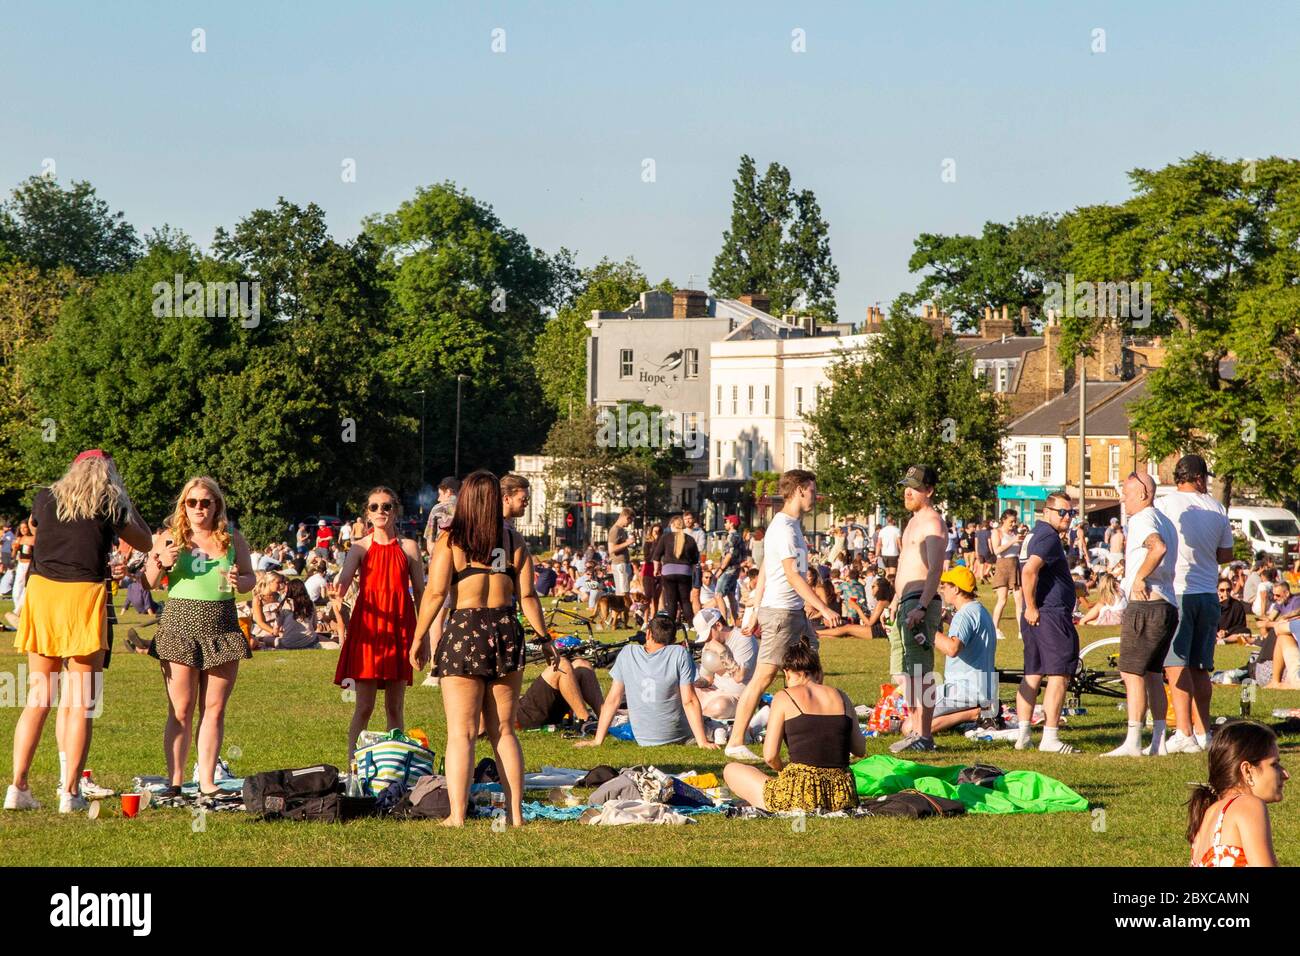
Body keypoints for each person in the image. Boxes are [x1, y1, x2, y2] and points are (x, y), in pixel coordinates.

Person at [5, 451, 153, 813]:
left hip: (43, 594)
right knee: (80, 702)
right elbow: (146, 541)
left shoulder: (46, 496)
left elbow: (40, 530)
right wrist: (123, 499)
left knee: (38, 698)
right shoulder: (111, 504)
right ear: (109, 476)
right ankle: (69, 792)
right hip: (83, 595)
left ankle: (17, 786)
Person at [410, 470, 548, 827]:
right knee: (503, 730)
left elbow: (436, 594)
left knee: (462, 732)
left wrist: (419, 637)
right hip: (505, 628)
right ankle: (515, 815)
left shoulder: (452, 541)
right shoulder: (513, 540)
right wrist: (545, 639)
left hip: (465, 631)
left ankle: (457, 815)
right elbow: (528, 597)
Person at [143, 476, 257, 802]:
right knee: (181, 708)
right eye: (192, 502)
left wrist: (241, 578)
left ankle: (207, 780)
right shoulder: (169, 538)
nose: (199, 508)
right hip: (180, 624)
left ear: (216, 505)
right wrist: (160, 562)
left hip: (221, 625)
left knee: (215, 709)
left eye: (206, 502)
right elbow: (149, 582)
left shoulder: (233, 538)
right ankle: (175, 781)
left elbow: (249, 579)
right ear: (183, 505)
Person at [725, 469, 840, 762]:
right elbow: (792, 575)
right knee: (764, 676)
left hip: (792, 612)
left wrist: (754, 606)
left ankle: (815, 724)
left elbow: (765, 568)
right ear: (800, 490)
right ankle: (736, 740)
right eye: (813, 490)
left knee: (813, 667)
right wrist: (824, 607)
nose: (816, 496)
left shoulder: (789, 525)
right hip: (781, 613)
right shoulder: (786, 528)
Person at [332, 486, 426, 764]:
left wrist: (425, 636)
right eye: (374, 507)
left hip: (400, 626)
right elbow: (345, 578)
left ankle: (393, 763)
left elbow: (421, 592)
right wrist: (337, 591)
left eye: (386, 506)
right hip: (369, 629)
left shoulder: (409, 547)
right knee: (364, 706)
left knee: (395, 707)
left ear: (395, 510)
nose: (380, 511)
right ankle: (352, 764)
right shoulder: (360, 546)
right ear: (367, 514)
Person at [722, 642, 864, 813]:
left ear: (787, 672)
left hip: (800, 793)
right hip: (841, 793)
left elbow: (770, 756)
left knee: (732, 770)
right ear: (818, 671)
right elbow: (859, 749)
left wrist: (785, 771)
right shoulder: (842, 697)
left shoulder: (784, 697)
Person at [1157, 454, 1235, 753]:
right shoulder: (1216, 507)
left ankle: (1184, 732)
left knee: (1176, 665)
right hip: (1208, 592)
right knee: (1201, 667)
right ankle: (1204, 732)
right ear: (1200, 477)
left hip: (1178, 590)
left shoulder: (1165, 505)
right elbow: (1226, 555)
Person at [1104, 471, 1179, 758]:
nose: (1123, 498)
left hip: (1146, 605)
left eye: (1127, 492)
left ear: (1144, 494)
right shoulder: (1165, 520)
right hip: (1167, 605)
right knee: (1151, 673)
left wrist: (1139, 577)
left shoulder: (1143, 518)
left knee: (1130, 671)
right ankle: (1158, 740)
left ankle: (1133, 741)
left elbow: (1157, 548)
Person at [576, 613, 717, 749]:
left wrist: (597, 740)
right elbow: (689, 701)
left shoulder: (627, 653)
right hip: (677, 734)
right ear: (673, 640)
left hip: (643, 737)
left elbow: (613, 700)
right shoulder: (679, 654)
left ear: (648, 634)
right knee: (716, 726)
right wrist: (702, 741)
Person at [885, 465, 946, 753]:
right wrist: (897, 601)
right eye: (906, 485)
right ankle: (915, 731)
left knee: (922, 672)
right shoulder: (912, 522)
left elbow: (935, 568)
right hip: (906, 602)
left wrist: (922, 605)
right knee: (906, 672)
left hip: (920, 601)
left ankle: (925, 736)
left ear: (929, 491)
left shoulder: (932, 523)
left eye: (915, 487)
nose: (908, 491)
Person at [1015, 492, 1082, 753]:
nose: (1067, 518)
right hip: (1049, 614)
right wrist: (1032, 606)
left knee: (1032, 673)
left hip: (1037, 614)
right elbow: (1029, 570)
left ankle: (1023, 734)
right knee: (1059, 674)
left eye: (1071, 513)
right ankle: (1050, 737)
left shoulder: (1034, 534)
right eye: (1062, 512)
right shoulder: (1048, 536)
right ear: (1047, 511)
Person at [1188, 720, 1286, 867]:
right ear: (1247, 770)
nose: (1285, 774)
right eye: (1274, 764)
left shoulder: (1208, 815)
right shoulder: (1248, 805)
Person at [691, 607, 758, 722]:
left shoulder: (744, 639)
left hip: (738, 697)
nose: (706, 640)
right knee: (684, 695)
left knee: (718, 707)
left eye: (708, 635)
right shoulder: (710, 644)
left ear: (718, 626)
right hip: (714, 691)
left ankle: (698, 717)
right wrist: (693, 685)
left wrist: (722, 651)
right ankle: (699, 716)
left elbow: (739, 677)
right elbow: (707, 678)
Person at [514, 656, 603, 732]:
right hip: (525, 715)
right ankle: (586, 721)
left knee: (582, 664)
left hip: (550, 714)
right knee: (561, 665)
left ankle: (606, 717)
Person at [654, 515, 699, 628]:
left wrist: (656, 570)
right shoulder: (690, 539)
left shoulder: (665, 538)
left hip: (668, 572)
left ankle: (671, 625)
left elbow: (656, 556)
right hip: (685, 572)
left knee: (671, 601)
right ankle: (691, 625)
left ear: (672, 525)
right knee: (685, 601)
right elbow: (695, 561)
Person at [989, 510, 1022, 639]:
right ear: (1003, 520)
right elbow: (997, 550)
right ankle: (995, 628)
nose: (1013, 524)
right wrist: (1012, 542)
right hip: (1003, 565)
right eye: (1011, 521)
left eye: (1015, 521)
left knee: (1019, 599)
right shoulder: (996, 532)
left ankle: (1021, 631)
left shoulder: (1015, 533)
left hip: (1015, 565)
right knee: (1002, 600)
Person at [715, 514, 747, 625]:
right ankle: (736, 621)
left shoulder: (731, 536)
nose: (725, 524)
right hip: (736, 569)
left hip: (728, 570)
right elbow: (743, 555)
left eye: (727, 522)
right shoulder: (739, 536)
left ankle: (723, 622)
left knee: (718, 595)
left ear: (732, 523)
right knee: (731, 595)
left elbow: (729, 554)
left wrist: (721, 569)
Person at [423, 476, 460, 555]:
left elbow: (430, 541)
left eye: (440, 494)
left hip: (441, 557)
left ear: (448, 492)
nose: (438, 499)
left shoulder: (438, 508)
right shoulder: (470, 508)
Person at [607, 507, 635, 601]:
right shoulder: (615, 530)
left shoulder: (621, 530)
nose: (629, 525)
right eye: (630, 522)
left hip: (623, 564)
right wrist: (627, 543)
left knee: (624, 591)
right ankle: (619, 614)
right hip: (619, 564)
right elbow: (611, 549)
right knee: (622, 593)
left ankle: (619, 615)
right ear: (627, 517)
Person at [683, 510, 706, 616]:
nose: (687, 521)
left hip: (695, 565)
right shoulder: (682, 533)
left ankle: (696, 618)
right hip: (683, 565)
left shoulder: (699, 532)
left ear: (693, 519)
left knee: (696, 593)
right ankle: (685, 617)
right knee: (684, 593)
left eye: (689, 518)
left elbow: (700, 547)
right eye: (685, 519)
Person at [1216, 579, 1251, 644]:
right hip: (1215, 632)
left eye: (1228, 590)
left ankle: (1224, 640)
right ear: (1217, 591)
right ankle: (1217, 639)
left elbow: (1241, 625)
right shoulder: (1212, 604)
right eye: (1222, 590)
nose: (1225, 593)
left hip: (1230, 632)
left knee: (1246, 631)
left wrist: (1226, 632)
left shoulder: (1237, 605)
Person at [640, 523, 661, 618]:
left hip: (660, 570)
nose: (657, 533)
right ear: (651, 532)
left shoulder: (663, 543)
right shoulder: (648, 544)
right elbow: (647, 558)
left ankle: (654, 618)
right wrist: (655, 543)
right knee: (648, 595)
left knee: (656, 597)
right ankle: (643, 617)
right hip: (649, 569)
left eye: (659, 531)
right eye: (655, 531)